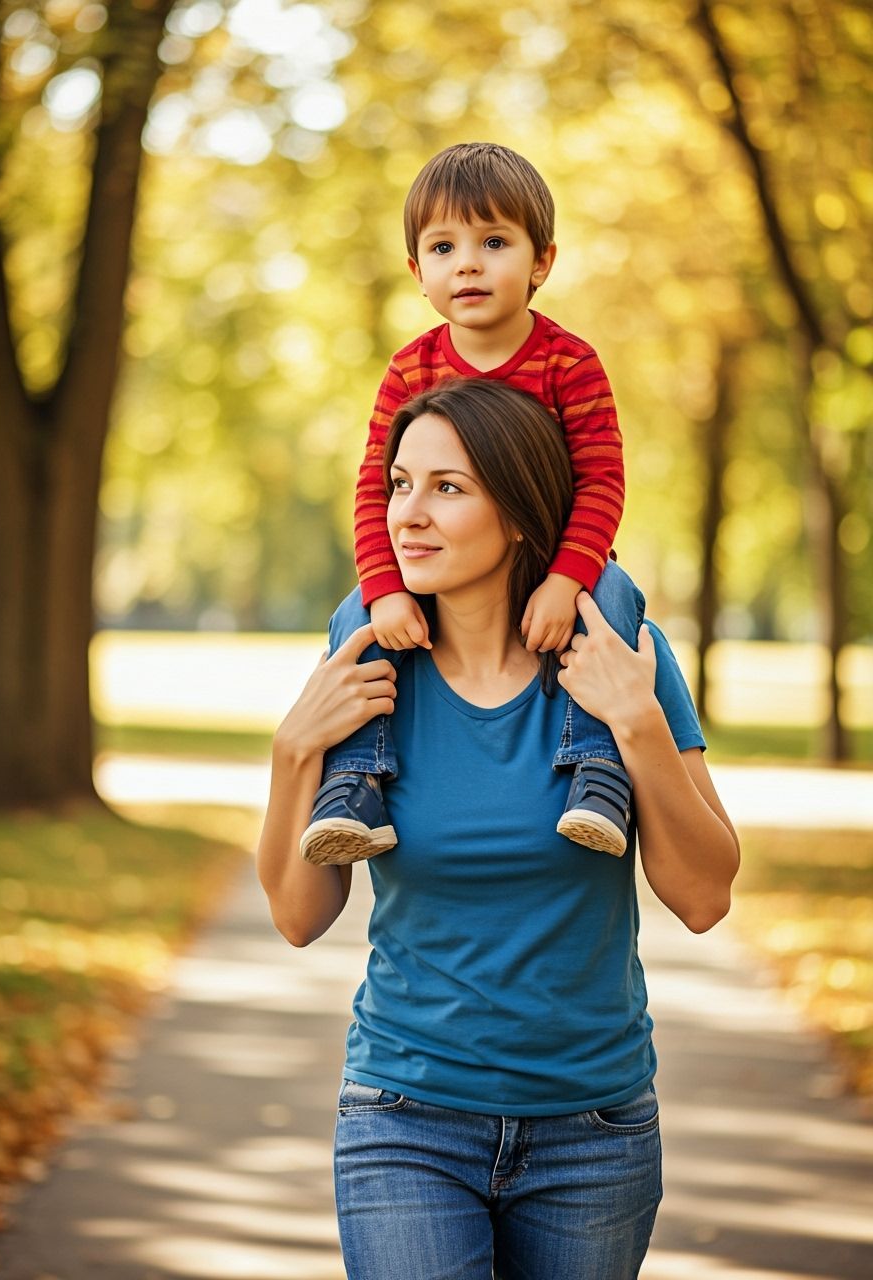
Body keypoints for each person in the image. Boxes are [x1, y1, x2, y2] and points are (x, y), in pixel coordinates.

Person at [257, 378, 740, 1280]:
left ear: (521, 511)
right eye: (401, 485)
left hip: (594, 1135)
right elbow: (297, 916)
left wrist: (637, 726)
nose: (408, 514)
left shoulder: (618, 656)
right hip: (404, 1118)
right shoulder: (367, 669)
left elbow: (706, 896)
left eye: (448, 487)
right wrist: (294, 751)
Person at [299, 141, 640, 868]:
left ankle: (598, 771)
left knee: (614, 596)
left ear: (541, 261)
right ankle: (356, 781)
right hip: (446, 574)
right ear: (418, 272)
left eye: (494, 242)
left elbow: (603, 479)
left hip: (555, 566)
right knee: (353, 615)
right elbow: (373, 486)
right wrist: (387, 588)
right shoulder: (410, 367)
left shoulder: (567, 362)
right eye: (445, 246)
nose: (470, 263)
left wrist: (565, 579)